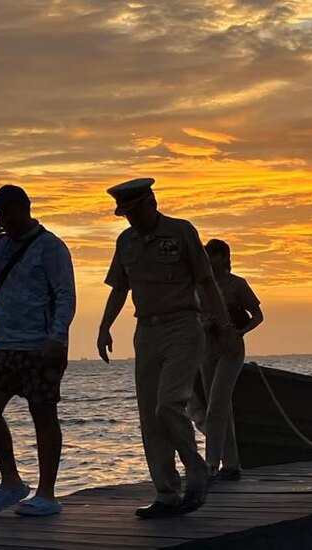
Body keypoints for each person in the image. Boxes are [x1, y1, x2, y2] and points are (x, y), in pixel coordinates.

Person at [96, 177, 239, 518]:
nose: (130, 220)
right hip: (146, 331)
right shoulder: (126, 242)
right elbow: (119, 288)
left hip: (183, 327)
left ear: (151, 203)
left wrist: (225, 326)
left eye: (134, 212)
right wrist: (104, 327)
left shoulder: (181, 232)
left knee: (169, 404)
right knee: (150, 416)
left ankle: (197, 470)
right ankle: (166, 493)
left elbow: (206, 281)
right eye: (125, 215)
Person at [0, 184, 76, 517]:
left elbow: (66, 296)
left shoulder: (51, 247)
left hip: (40, 346)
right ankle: (11, 482)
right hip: (4, 345)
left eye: (5, 212)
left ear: (24, 208)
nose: (2, 219)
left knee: (43, 416)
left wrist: (57, 338)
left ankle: (47, 494)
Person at [189, 239, 263, 483]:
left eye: (213, 255)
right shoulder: (199, 286)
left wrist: (239, 332)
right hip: (206, 346)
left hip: (230, 347)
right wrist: (204, 325)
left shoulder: (237, 284)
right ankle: (231, 465)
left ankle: (212, 464)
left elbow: (258, 315)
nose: (209, 260)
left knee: (217, 405)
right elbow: (194, 316)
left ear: (224, 258)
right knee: (219, 406)